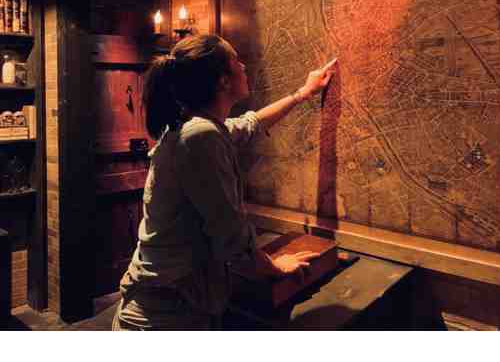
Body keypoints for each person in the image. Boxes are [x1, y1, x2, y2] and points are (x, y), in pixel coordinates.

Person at [111, 34, 337, 330]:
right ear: (223, 81)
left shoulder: (197, 128)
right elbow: (232, 237)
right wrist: (273, 267)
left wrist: (303, 93)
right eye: (235, 60)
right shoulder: (200, 137)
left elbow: (251, 123)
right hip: (163, 317)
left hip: (171, 305)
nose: (243, 66)